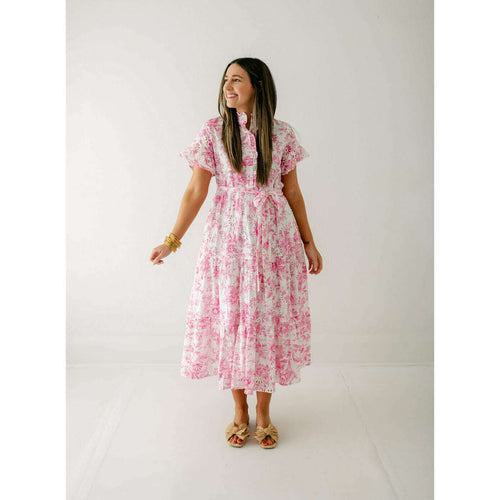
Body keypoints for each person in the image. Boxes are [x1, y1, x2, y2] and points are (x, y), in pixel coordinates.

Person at [150, 57, 323, 449]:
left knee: (265, 320)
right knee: (232, 319)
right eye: (226, 80)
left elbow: (293, 192)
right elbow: (196, 191)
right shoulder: (213, 132)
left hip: (273, 241)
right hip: (228, 239)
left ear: (257, 86)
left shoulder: (282, 134)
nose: (228, 87)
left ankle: (264, 411)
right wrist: (171, 240)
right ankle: (240, 411)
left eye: (237, 80)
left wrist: (308, 242)